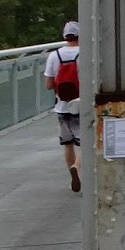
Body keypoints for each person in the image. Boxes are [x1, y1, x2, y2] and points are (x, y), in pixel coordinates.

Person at [44, 21, 82, 193]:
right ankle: (77, 167)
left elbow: (49, 85)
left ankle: (73, 175)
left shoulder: (54, 55)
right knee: (88, 143)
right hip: (81, 105)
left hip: (61, 106)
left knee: (68, 144)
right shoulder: (85, 53)